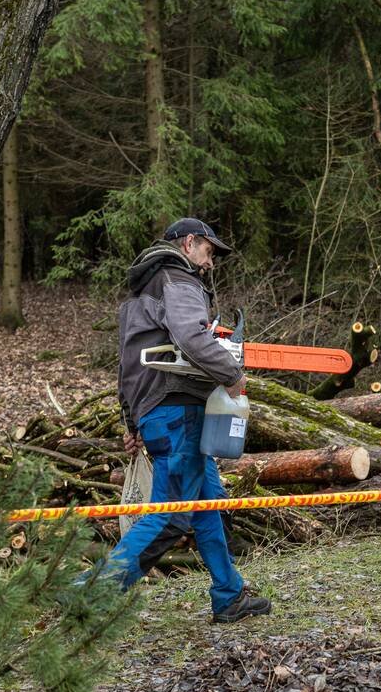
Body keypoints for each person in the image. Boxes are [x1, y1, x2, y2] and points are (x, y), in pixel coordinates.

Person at [108, 217, 271, 623]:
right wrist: (232, 376)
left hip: (161, 409)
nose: (211, 262)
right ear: (190, 243)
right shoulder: (178, 280)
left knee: (208, 504)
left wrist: (132, 423)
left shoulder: (140, 295)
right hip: (177, 408)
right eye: (209, 252)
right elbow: (191, 335)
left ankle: (228, 595)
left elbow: (126, 367)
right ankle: (92, 593)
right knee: (170, 513)